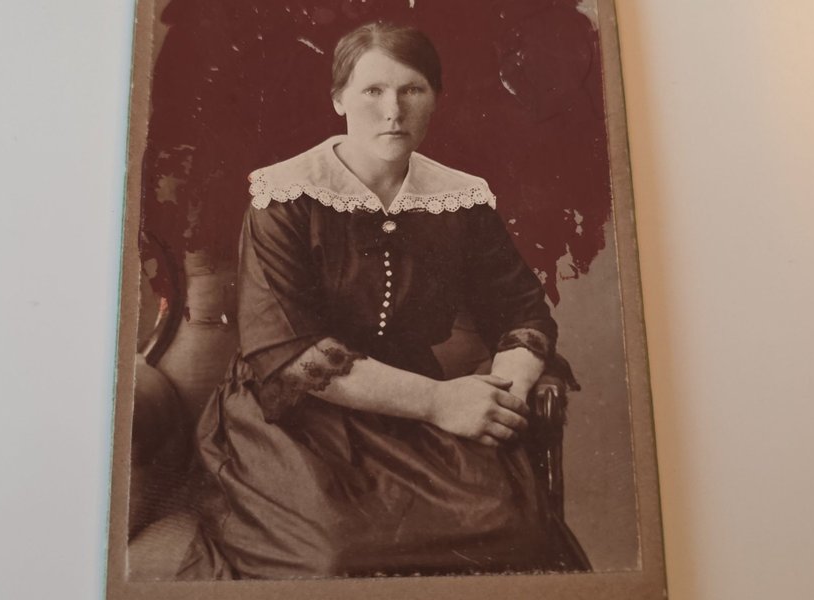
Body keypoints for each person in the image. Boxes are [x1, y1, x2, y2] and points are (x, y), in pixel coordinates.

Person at [196, 21, 586, 579]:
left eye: (412, 90)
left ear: (435, 98)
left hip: (416, 409)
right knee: (335, 554)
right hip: (298, 414)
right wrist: (439, 402)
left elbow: (523, 311)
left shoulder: (459, 199)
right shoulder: (284, 197)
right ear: (338, 99)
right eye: (372, 91)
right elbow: (289, 354)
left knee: (514, 536)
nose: (393, 111)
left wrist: (502, 394)